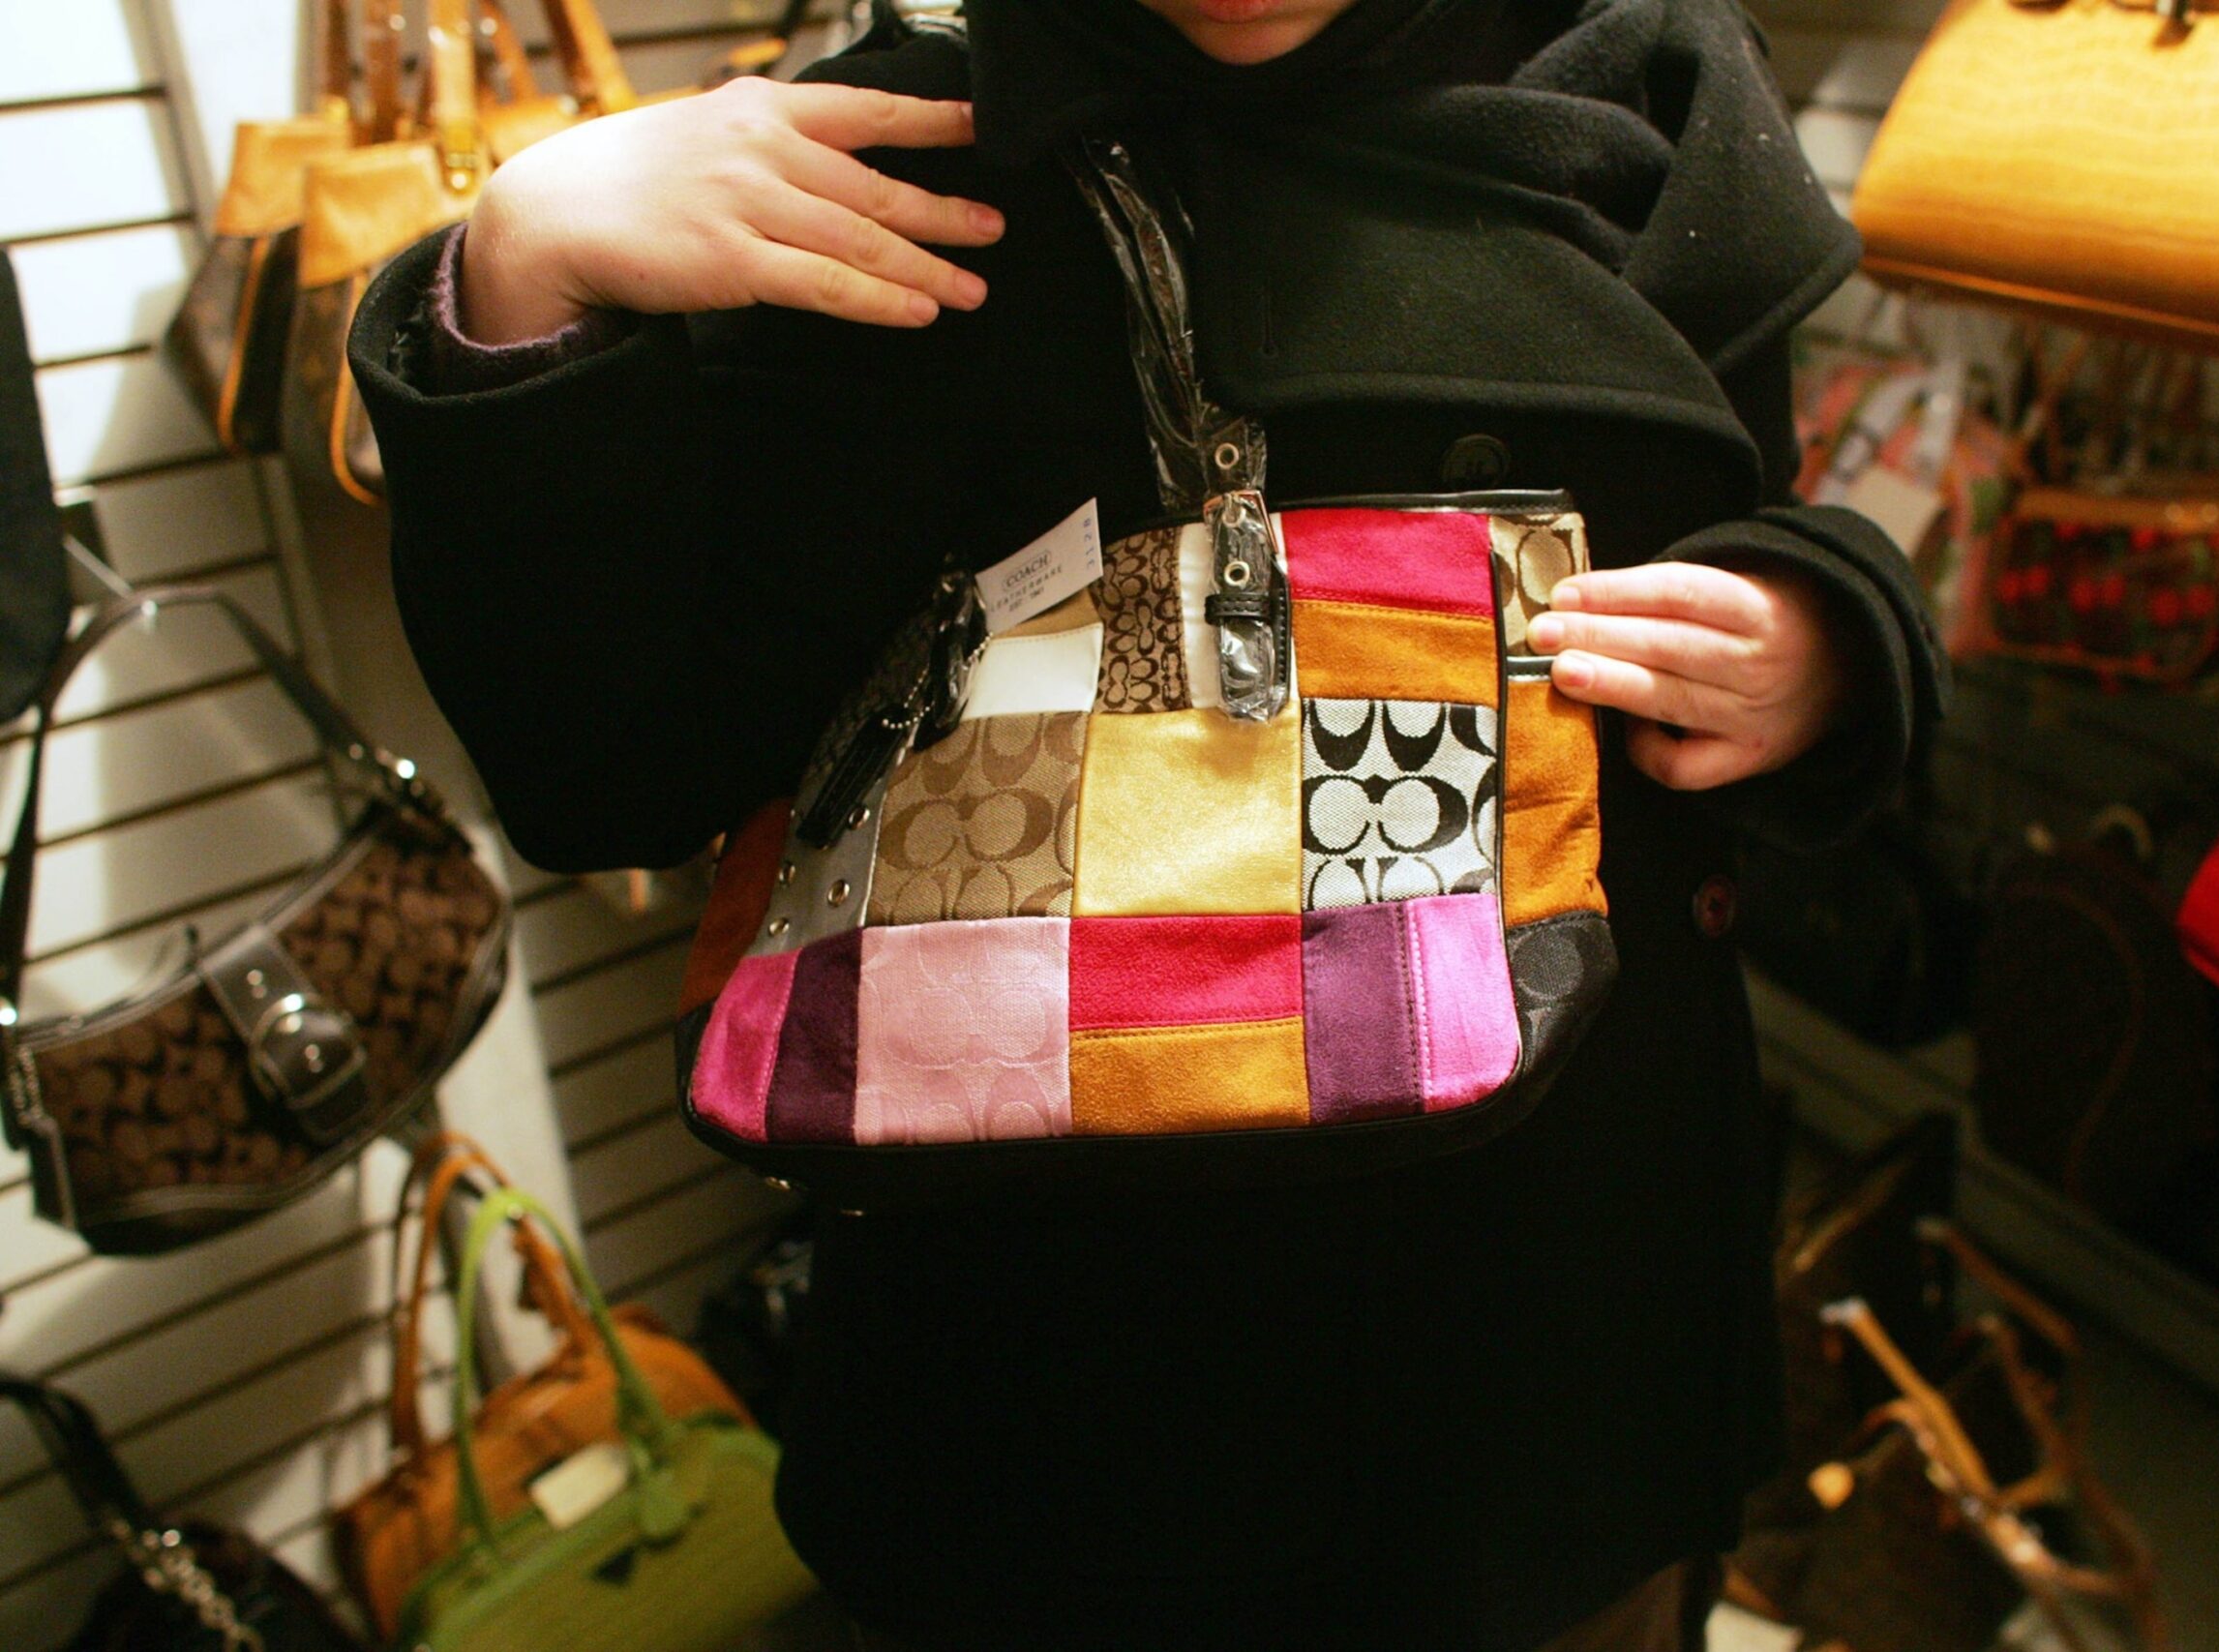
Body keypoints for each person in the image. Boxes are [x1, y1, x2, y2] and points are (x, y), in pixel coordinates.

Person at [348, 1, 1947, 1647]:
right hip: (1050, 1373)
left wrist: (1825, 637)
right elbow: (612, 776)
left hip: (1547, 1312)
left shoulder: (1626, 82)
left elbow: (1743, 529)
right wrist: (522, 272)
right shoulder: (880, 160)